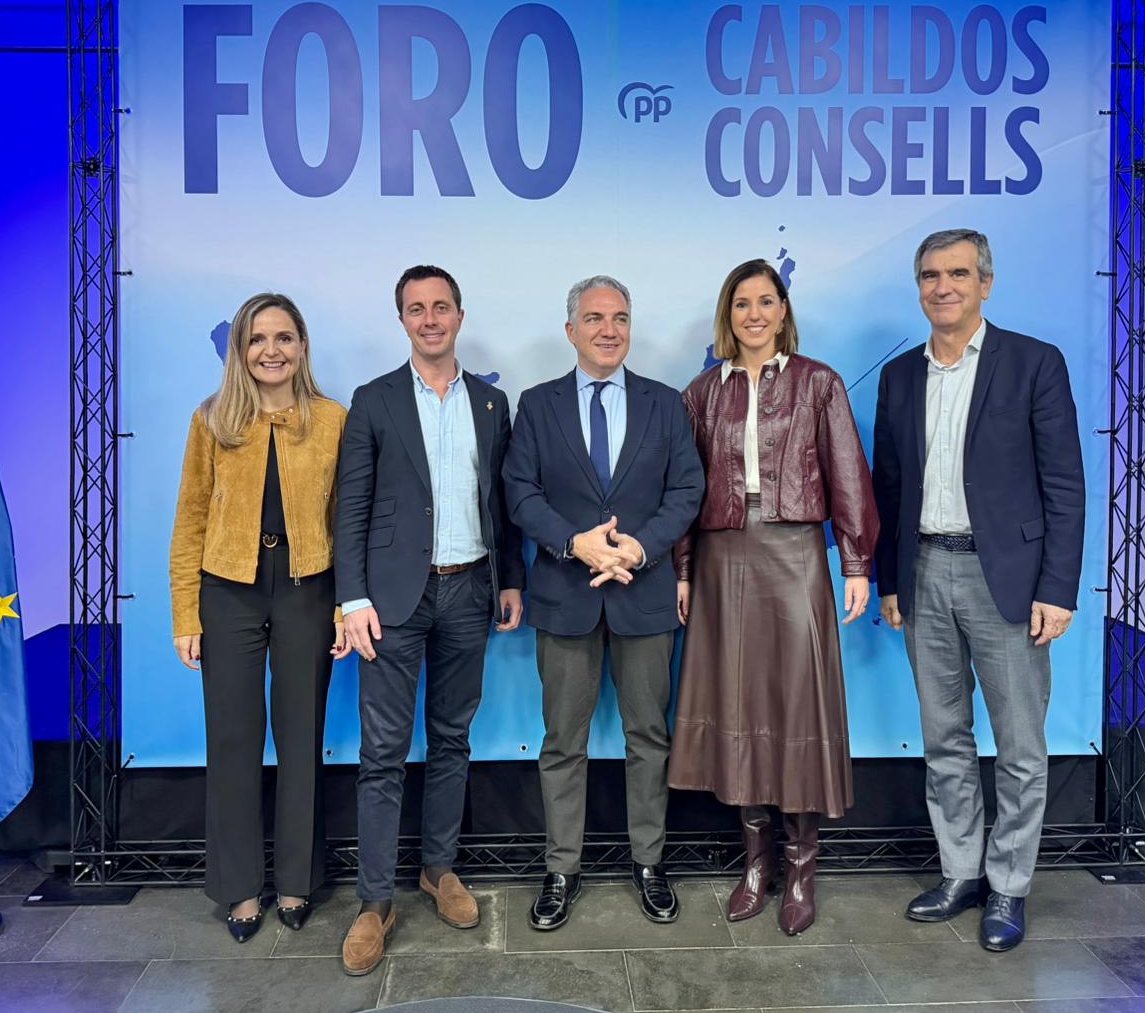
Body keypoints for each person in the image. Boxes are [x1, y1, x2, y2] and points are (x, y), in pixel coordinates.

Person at [872, 229, 1085, 952]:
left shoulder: (1034, 363)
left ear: (985, 284)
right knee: (945, 738)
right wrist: (891, 580)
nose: (944, 287)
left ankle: (1010, 886)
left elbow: (1065, 486)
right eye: (930, 275)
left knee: (1020, 745)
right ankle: (961, 872)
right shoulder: (900, 376)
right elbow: (889, 487)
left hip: (1010, 582)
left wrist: (1058, 589)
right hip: (924, 573)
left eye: (958, 274)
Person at [669, 259, 879, 936]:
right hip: (722, 557)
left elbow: (848, 472)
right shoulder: (702, 392)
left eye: (765, 301)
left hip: (795, 556)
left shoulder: (819, 382)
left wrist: (856, 563)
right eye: (741, 303)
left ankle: (802, 868)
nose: (754, 314)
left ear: (784, 310)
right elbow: (683, 490)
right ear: (726, 316)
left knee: (796, 702)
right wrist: (682, 569)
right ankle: (755, 864)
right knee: (738, 701)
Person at [334, 265, 524, 976]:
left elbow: (501, 503)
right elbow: (350, 507)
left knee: (451, 739)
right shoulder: (374, 400)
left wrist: (511, 580)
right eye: (417, 308)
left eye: (441, 306)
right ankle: (374, 902)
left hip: (470, 592)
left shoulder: (492, 404)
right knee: (382, 753)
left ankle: (439, 870)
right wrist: (353, 599)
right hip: (390, 604)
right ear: (403, 321)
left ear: (460, 316)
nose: (430, 318)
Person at [503, 275, 704, 932]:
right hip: (565, 596)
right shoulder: (537, 405)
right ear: (571, 330)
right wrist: (576, 544)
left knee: (650, 737)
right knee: (563, 741)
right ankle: (562, 869)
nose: (608, 330)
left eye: (619, 318)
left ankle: (650, 862)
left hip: (644, 593)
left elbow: (687, 489)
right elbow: (519, 491)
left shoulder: (665, 403)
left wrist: (638, 550)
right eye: (594, 318)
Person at [170, 292, 346, 942]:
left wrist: (344, 606)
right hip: (228, 591)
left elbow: (345, 520)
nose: (271, 350)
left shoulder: (332, 419)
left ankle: (297, 880)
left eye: (284, 338)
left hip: (307, 589)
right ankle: (240, 888)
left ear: (302, 346)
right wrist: (186, 612)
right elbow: (190, 517)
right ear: (240, 350)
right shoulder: (212, 419)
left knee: (301, 737)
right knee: (233, 741)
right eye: (257, 339)